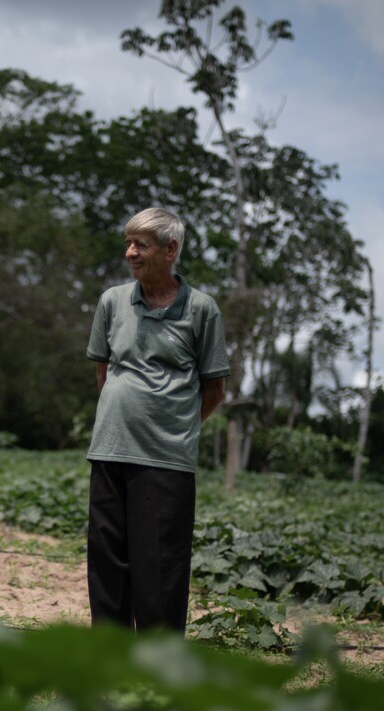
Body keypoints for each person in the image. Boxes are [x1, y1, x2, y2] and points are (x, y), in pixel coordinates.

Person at [84, 207, 229, 633]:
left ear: (171, 249)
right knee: (108, 556)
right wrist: (123, 415)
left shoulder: (202, 310)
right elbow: (103, 371)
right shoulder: (112, 302)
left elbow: (215, 388)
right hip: (110, 447)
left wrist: (175, 425)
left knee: (160, 562)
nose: (130, 252)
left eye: (140, 244)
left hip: (167, 456)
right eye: (128, 243)